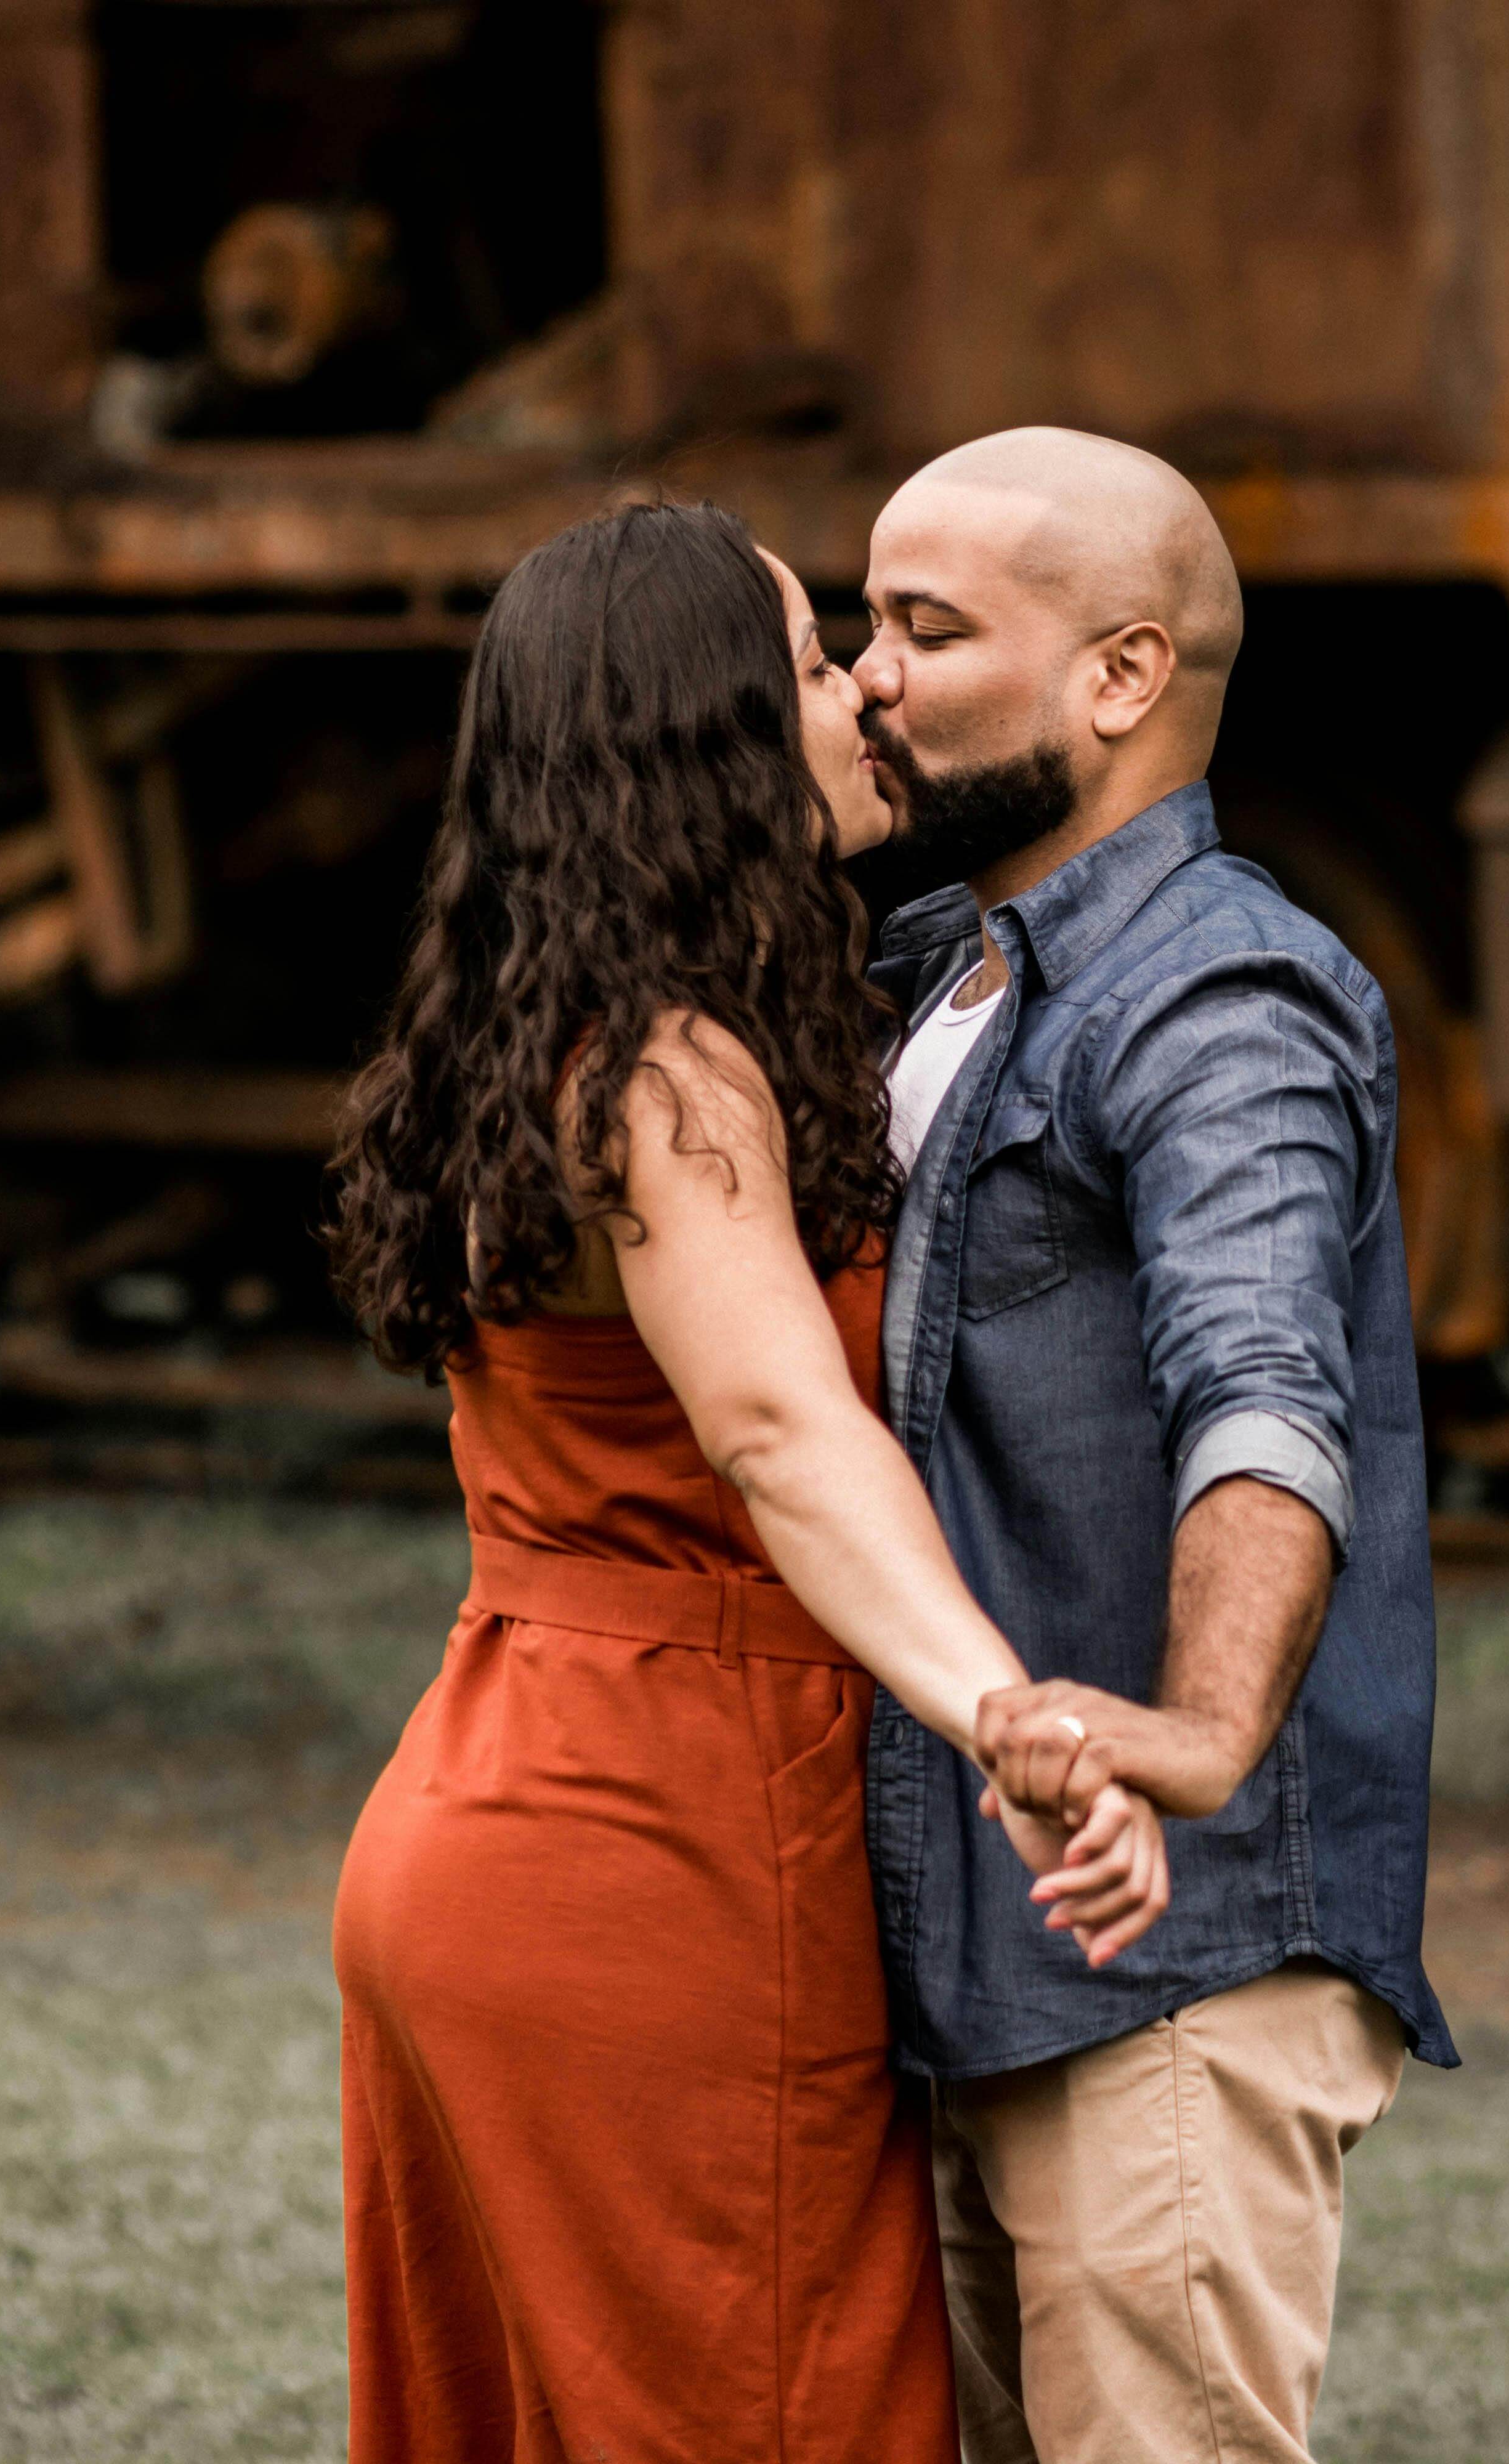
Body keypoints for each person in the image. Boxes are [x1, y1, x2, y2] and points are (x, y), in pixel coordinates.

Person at [322, 498, 1176, 2464]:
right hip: (666, 1855)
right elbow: (783, 1434)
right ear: (704, 736)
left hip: (487, 1816)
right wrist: (1009, 1714)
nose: (863, 690)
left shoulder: (547, 1036)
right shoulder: (670, 1070)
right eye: (809, 661)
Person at [845, 428, 1458, 2464]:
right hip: (992, 1949)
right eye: (865, 625)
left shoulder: (1220, 997)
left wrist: (1195, 1732)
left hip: (1170, 1969)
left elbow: (1263, 1383)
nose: (872, 677)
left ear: (1119, 677)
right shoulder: (954, 967)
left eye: (929, 630)